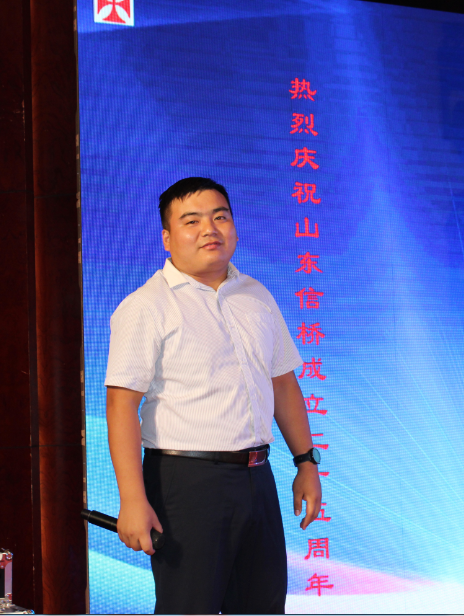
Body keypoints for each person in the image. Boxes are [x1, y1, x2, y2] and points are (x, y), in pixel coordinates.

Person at [104, 177, 322, 614]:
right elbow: (121, 405)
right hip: (187, 483)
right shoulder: (146, 306)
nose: (210, 229)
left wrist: (305, 462)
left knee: (263, 607)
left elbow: (282, 383)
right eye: (192, 221)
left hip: (257, 477)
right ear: (167, 238)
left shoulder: (256, 295)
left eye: (220, 217)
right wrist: (131, 499)